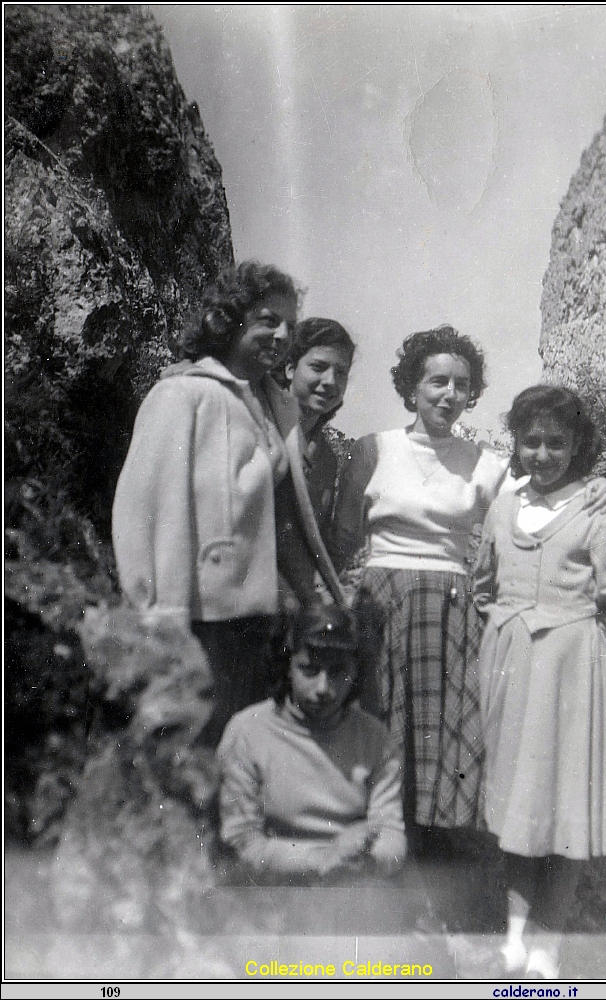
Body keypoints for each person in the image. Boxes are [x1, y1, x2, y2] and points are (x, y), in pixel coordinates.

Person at [332, 327, 606, 843]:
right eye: (437, 381)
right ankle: (375, 841)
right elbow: (341, 540)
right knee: (379, 721)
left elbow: (545, 493)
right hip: (381, 606)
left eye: (461, 385)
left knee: (447, 738)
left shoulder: (485, 462)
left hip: (452, 613)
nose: (449, 394)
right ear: (412, 386)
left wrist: (595, 487)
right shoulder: (374, 450)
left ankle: (434, 854)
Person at [112, 261, 343, 749]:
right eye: (266, 320)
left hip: (253, 620)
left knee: (237, 762)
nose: (282, 335)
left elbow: (287, 518)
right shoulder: (182, 394)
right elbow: (149, 517)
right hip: (197, 623)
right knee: (190, 758)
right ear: (227, 321)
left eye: (289, 326)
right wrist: (161, 621)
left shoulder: (270, 405)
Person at [473, 385, 606, 978]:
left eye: (556, 442)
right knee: (519, 805)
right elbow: (482, 587)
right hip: (511, 674)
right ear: (516, 444)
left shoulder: (600, 509)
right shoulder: (502, 507)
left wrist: (586, 654)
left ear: (577, 445)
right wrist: (505, 634)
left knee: (566, 807)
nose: (542, 454)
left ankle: (548, 945)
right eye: (531, 441)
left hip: (573, 676)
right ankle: (515, 938)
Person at [217, 603, 406, 884]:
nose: (323, 689)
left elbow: (391, 833)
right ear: (287, 667)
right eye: (309, 670)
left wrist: (365, 862)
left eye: (338, 672)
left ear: (356, 673)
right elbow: (240, 842)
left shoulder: (375, 738)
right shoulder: (247, 732)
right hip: (273, 887)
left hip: (353, 881)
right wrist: (323, 858)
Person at [280, 317, 356, 547]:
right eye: (318, 367)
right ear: (290, 368)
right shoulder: (259, 427)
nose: (330, 381)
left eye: (341, 372)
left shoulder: (326, 459)